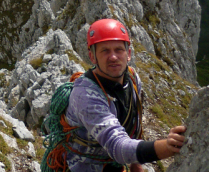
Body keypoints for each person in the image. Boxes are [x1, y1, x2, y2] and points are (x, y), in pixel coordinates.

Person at [64, 18, 186, 171]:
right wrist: (167, 147)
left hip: (114, 165)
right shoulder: (85, 95)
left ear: (128, 53)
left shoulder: (132, 79)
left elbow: (135, 124)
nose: (113, 57)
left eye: (118, 50)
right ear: (92, 57)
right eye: (105, 51)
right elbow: (117, 147)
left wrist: (136, 164)